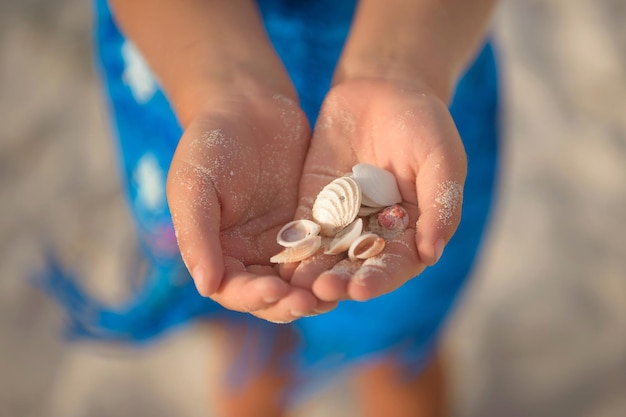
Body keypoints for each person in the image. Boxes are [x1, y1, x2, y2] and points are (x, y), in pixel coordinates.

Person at [44, 0, 500, 416]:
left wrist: (399, 69)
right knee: (249, 328)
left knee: (397, 343)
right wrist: (224, 86)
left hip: (418, 55)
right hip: (193, 73)